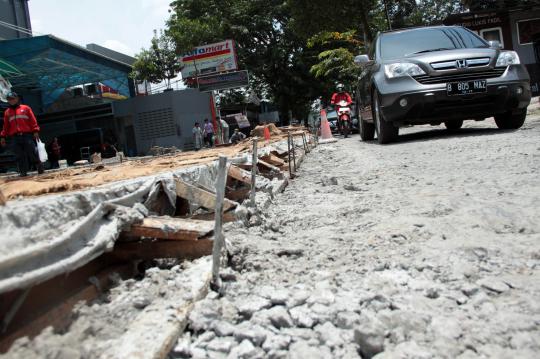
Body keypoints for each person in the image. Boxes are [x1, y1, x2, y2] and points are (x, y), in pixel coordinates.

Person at [0, 92, 44, 177]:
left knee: (32, 152)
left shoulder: (26, 108)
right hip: (15, 137)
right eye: (9, 99)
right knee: (19, 155)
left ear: (17, 99)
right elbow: (6, 126)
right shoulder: (7, 112)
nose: (11, 101)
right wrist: (2, 136)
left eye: (13, 99)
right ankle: (23, 172)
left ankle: (39, 166)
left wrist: (35, 131)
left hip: (26, 135)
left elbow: (32, 120)